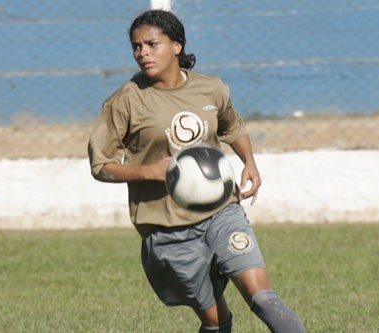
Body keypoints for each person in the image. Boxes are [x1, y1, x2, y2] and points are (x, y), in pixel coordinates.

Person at [88, 9, 306, 333]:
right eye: (136, 47)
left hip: (222, 212)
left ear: (176, 45)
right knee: (218, 322)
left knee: (263, 298)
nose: (142, 53)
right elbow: (100, 166)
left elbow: (233, 126)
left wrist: (250, 162)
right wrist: (149, 172)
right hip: (168, 231)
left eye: (151, 44)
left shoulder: (210, 88)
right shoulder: (124, 102)